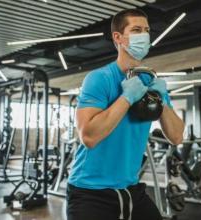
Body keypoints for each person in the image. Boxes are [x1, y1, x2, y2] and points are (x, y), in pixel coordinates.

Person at [66, 9, 185, 220]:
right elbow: (89, 137)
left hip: (130, 188)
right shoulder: (100, 79)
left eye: (147, 31)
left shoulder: (151, 82)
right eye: (136, 30)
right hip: (90, 192)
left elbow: (176, 136)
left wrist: (162, 98)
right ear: (118, 37)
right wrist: (126, 98)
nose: (144, 36)